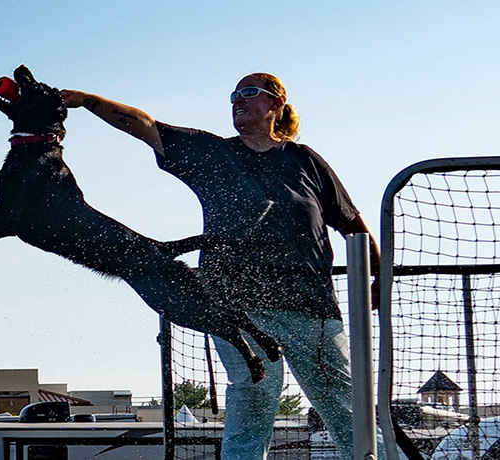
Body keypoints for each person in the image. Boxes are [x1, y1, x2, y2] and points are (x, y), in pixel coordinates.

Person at [59, 73, 381, 460]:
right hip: (236, 304)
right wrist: (86, 100)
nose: (237, 101)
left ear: (276, 104)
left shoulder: (304, 160)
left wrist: (377, 275)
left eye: (249, 93)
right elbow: (145, 126)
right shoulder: (213, 154)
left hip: (309, 304)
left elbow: (352, 226)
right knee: (255, 393)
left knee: (345, 407)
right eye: (233, 95)